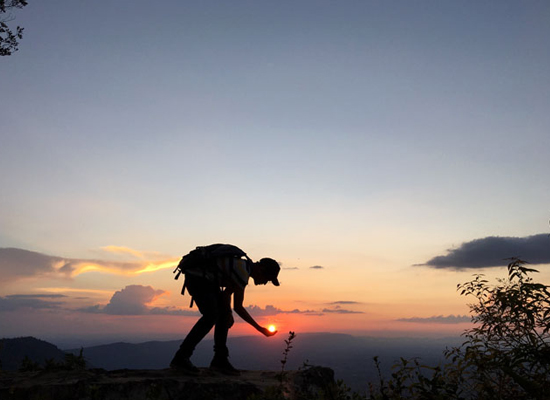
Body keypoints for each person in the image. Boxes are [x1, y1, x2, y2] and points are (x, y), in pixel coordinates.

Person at [170, 243, 280, 375]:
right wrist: (260, 329)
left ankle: (219, 360)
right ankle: (181, 358)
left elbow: (226, 294)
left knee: (222, 316)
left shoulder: (241, 266)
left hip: (204, 280)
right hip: (198, 279)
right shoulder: (242, 272)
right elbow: (238, 307)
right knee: (211, 316)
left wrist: (228, 313)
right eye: (267, 279)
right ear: (261, 269)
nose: (265, 283)